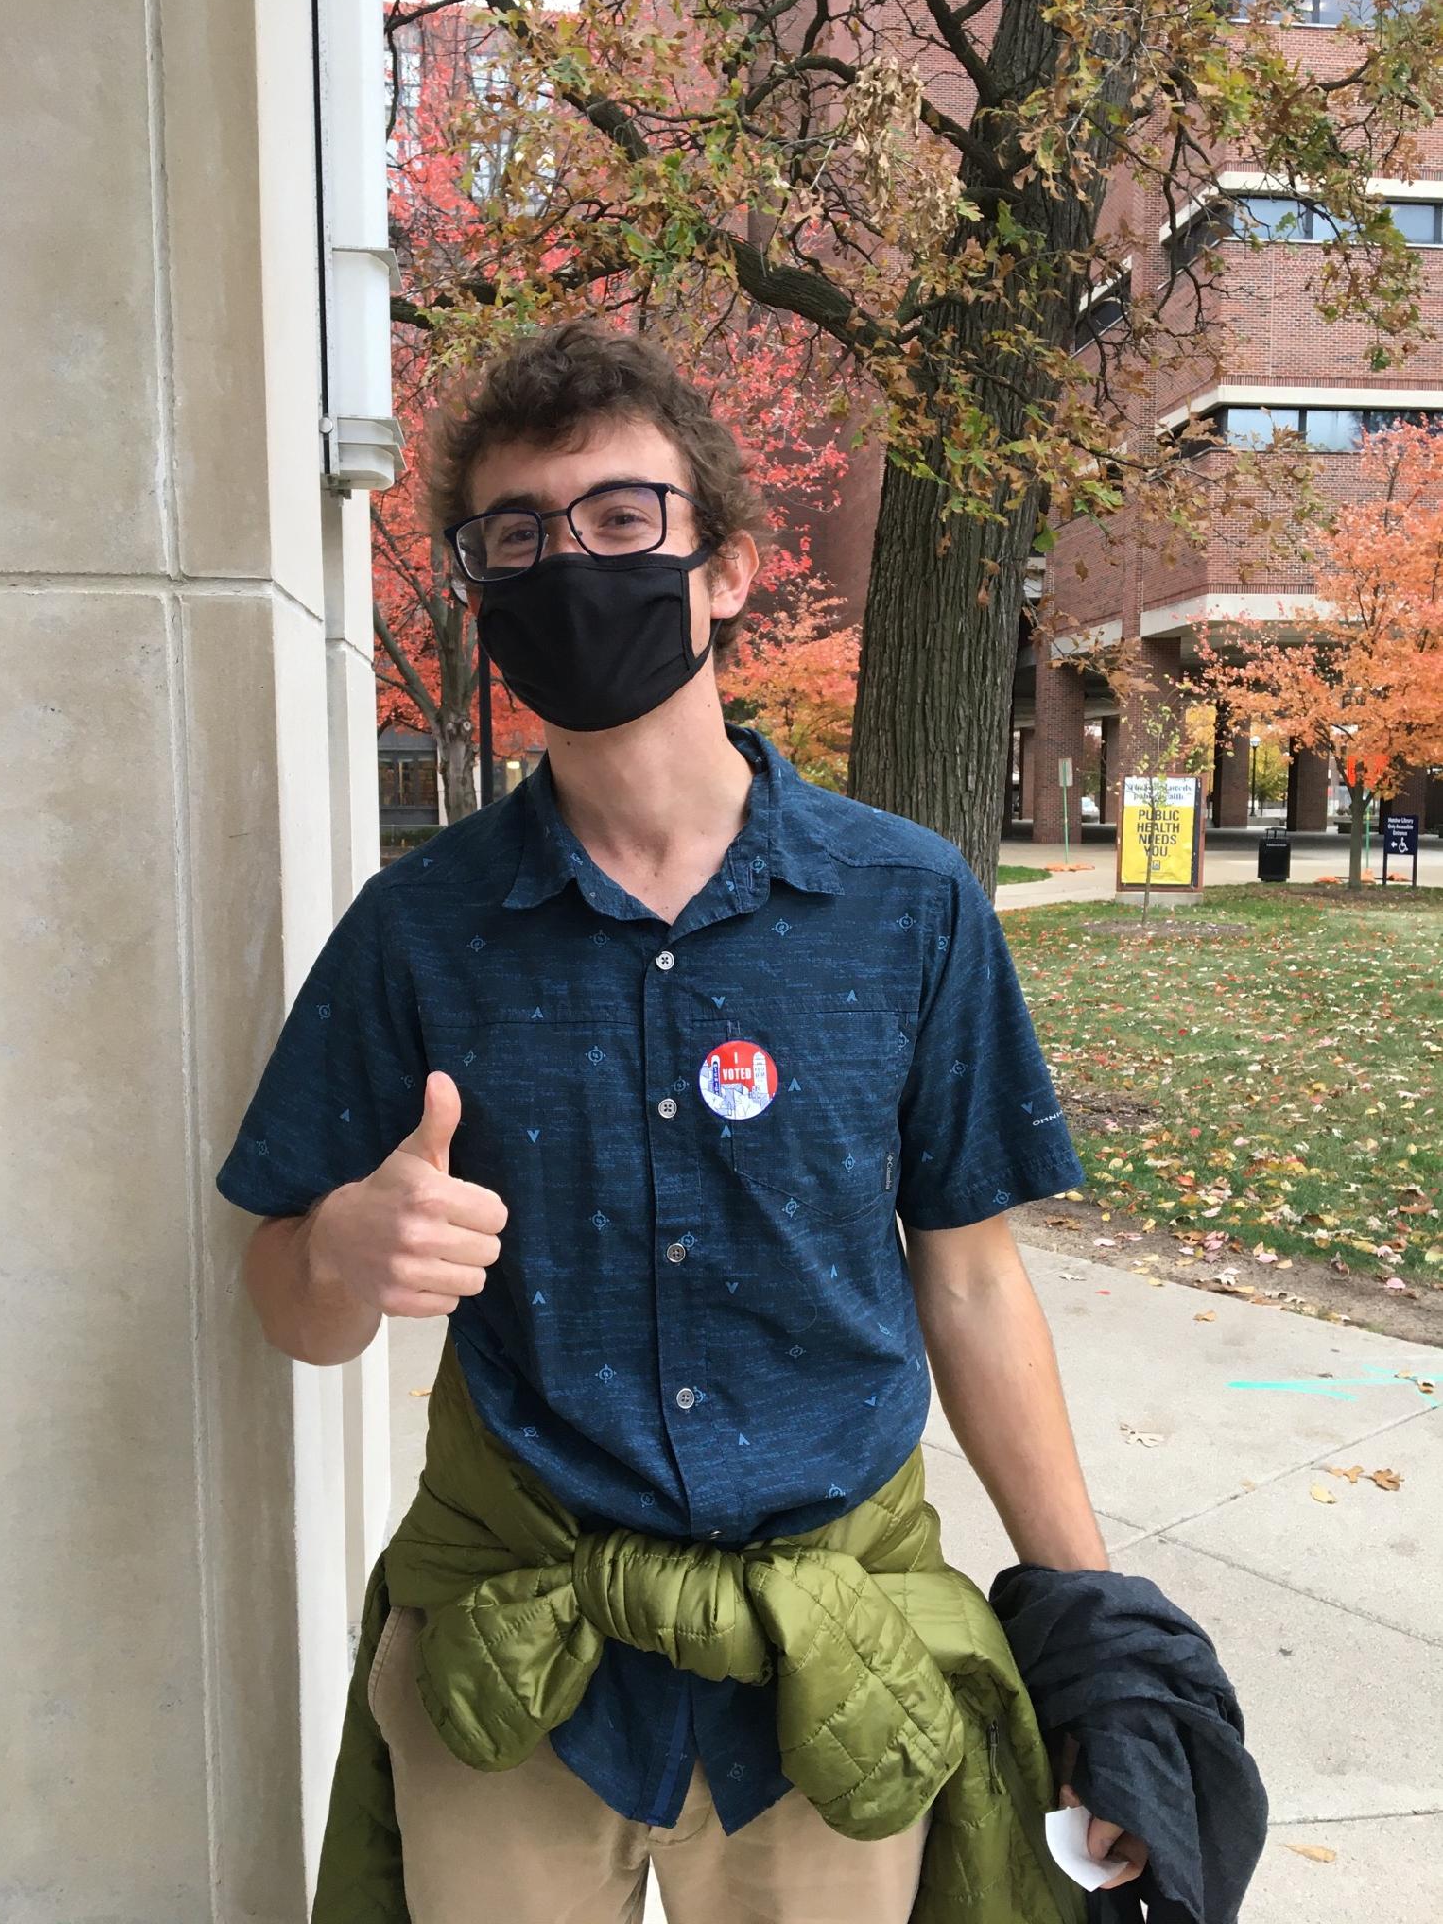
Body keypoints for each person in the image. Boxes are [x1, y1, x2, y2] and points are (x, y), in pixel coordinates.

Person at [216, 320, 1150, 1922]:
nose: (568, 562)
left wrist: (1097, 1643)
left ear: (725, 568)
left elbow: (975, 1284)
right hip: (513, 1668)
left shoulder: (910, 905)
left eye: (619, 518)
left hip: (830, 1676)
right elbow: (288, 1304)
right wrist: (341, 1255)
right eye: (517, 537)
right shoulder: (416, 931)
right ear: (482, 591)